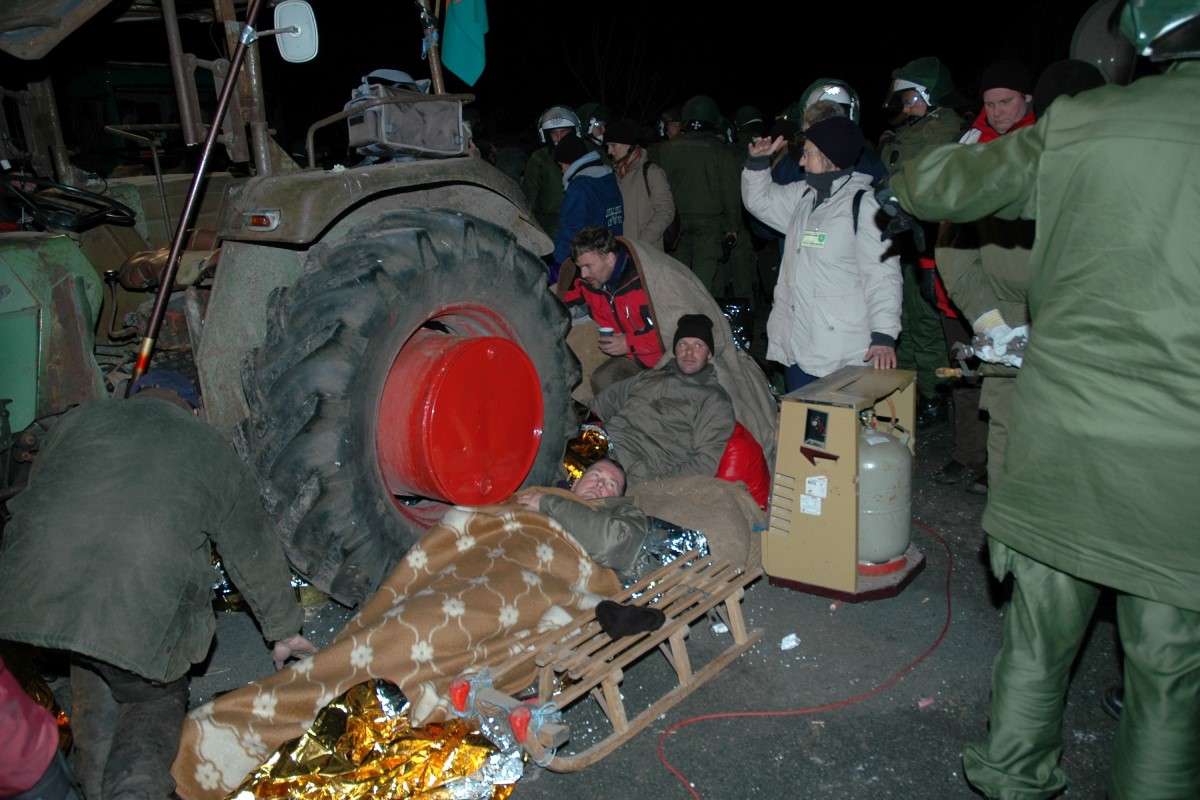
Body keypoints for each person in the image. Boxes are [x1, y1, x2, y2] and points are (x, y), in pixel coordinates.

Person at [887, 4, 1200, 796]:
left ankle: (1013, 780)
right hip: (1181, 461)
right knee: (1168, 676)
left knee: (1036, 638)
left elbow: (934, 186)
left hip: (1065, 432)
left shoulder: (1086, 122)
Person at [0, 370, 316, 800]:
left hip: (31, 599)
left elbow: (47, 495)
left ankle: (90, 787)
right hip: (135, 615)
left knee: (95, 664)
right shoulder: (209, 447)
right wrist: (284, 630)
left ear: (133, 397)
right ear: (196, 409)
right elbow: (252, 550)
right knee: (147, 702)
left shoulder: (77, 421)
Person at [932, 60, 1038, 495]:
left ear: (1028, 98)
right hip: (981, 297)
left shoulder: (1042, 145)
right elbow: (949, 228)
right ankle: (974, 458)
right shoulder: (971, 144)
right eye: (989, 103)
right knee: (974, 384)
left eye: (1006, 101)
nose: (996, 112)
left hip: (1035, 302)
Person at [741, 116, 902, 391]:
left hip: (840, 349)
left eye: (808, 154)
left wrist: (884, 336)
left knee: (837, 430)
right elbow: (761, 202)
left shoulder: (864, 206)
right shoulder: (804, 196)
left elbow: (883, 276)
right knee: (802, 426)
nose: (801, 162)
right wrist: (758, 164)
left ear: (831, 156)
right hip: (800, 343)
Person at [880, 56, 969, 429]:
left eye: (910, 98)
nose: (905, 106)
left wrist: (887, 147)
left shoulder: (943, 129)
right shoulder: (920, 129)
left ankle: (932, 395)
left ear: (930, 96)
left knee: (925, 323)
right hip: (907, 239)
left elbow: (906, 169)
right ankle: (913, 391)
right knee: (905, 320)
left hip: (929, 240)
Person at [589, 313, 735, 488]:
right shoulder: (651, 376)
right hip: (599, 444)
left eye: (698, 345)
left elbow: (707, 461)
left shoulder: (714, 401)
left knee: (580, 493)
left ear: (709, 353)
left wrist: (657, 486)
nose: (689, 352)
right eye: (683, 345)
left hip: (632, 469)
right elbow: (601, 404)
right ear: (675, 351)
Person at [655, 95, 744, 296]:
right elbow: (729, 191)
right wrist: (732, 226)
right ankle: (702, 320)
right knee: (705, 275)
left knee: (679, 273)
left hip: (675, 221)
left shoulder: (666, 149)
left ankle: (680, 318)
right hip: (709, 221)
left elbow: (660, 187)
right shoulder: (720, 151)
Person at [562, 226, 664, 393]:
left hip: (663, 360)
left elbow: (669, 332)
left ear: (610, 258)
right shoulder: (589, 285)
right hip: (631, 360)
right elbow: (562, 304)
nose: (583, 274)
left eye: (588, 266)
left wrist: (628, 343)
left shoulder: (645, 283)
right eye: (580, 267)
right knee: (602, 380)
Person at [550, 133, 624, 281]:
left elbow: (570, 230)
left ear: (570, 162)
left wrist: (556, 260)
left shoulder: (580, 187)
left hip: (589, 264)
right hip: (611, 257)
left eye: (562, 165)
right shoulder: (608, 178)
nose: (563, 171)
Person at [604, 119, 677, 251]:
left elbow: (666, 210)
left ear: (628, 145)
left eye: (613, 145)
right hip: (621, 251)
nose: (609, 151)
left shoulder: (652, 172)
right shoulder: (614, 175)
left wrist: (642, 242)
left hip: (647, 252)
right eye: (608, 145)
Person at [521, 104, 582, 236]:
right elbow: (529, 200)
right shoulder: (539, 159)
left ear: (573, 132)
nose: (559, 138)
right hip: (551, 228)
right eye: (554, 133)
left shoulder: (586, 154)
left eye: (564, 132)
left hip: (581, 224)